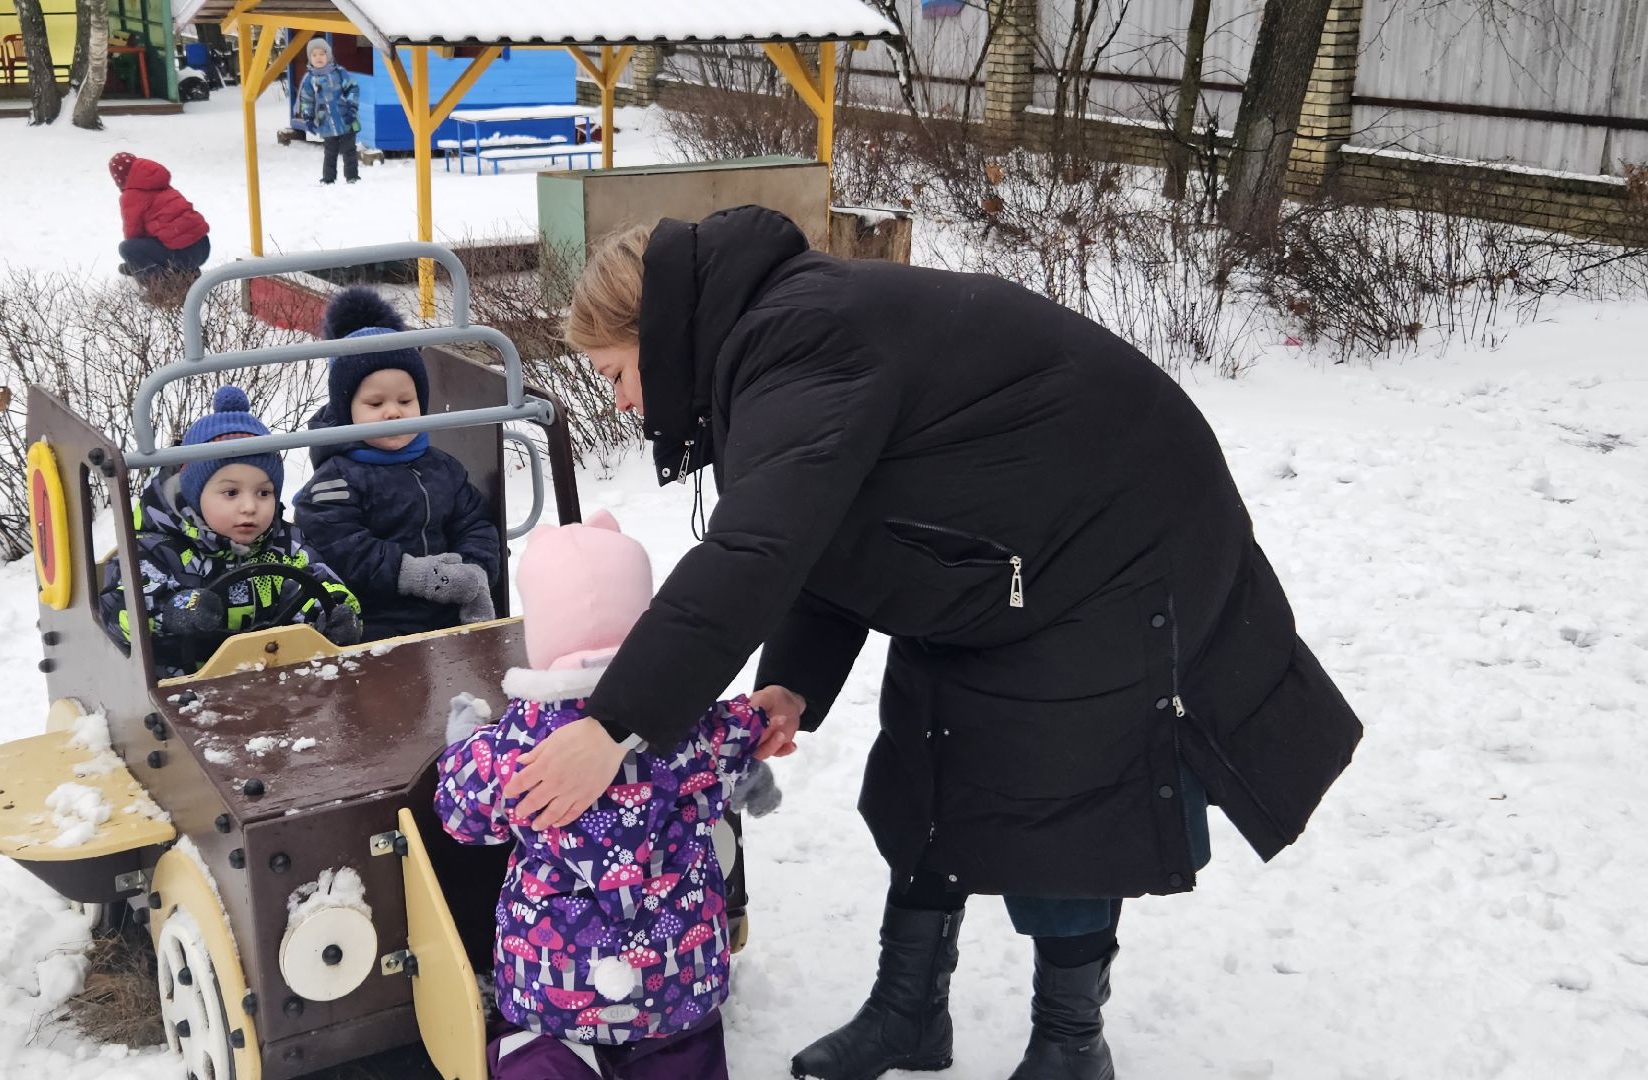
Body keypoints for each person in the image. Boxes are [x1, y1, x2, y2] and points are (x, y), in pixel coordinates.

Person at [499, 206, 1365, 1080]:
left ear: (656, 335)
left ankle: (1070, 1043)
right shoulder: (774, 343)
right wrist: (794, 683)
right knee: (929, 755)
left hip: (1117, 544)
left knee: (1059, 790)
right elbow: (825, 530)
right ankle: (907, 1008)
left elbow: (753, 553)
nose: (619, 400)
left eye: (614, 372)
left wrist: (611, 726)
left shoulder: (796, 338)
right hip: (992, 551)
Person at [434, 510, 781, 1080]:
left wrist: (461, 744)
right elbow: (743, 735)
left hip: (556, 981)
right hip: (680, 973)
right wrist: (756, 754)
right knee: (685, 1048)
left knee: (537, 1056)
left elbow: (460, 812)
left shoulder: (517, 747)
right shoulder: (691, 722)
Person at [100, 386, 361, 679]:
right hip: (183, 689)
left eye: (263, 492)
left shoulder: (286, 546)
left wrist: (333, 613)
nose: (249, 506)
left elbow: (319, 583)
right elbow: (119, 613)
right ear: (194, 494)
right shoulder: (157, 552)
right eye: (231, 492)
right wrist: (174, 612)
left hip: (278, 680)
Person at [292, 286, 501, 642]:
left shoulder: (442, 468)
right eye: (375, 404)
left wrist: (474, 570)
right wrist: (416, 574)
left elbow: (475, 523)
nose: (393, 412)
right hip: (376, 622)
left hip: (445, 614)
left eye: (406, 399)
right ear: (347, 411)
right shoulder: (337, 479)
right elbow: (342, 549)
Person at [108, 152, 212, 287]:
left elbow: (133, 234)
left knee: (128, 248)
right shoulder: (159, 185)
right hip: (202, 247)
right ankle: (187, 273)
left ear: (120, 179)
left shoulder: (132, 195)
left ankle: (162, 288)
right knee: (171, 237)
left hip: (184, 254)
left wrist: (135, 261)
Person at [294, 37, 359, 185]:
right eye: (314, 54)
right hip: (326, 123)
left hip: (345, 119)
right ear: (310, 58)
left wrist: (352, 109)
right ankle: (328, 178)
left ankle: (352, 177)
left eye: (322, 54)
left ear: (328, 55)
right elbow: (307, 100)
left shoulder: (339, 73)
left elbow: (353, 89)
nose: (318, 57)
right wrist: (308, 118)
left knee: (349, 150)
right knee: (330, 152)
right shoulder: (310, 80)